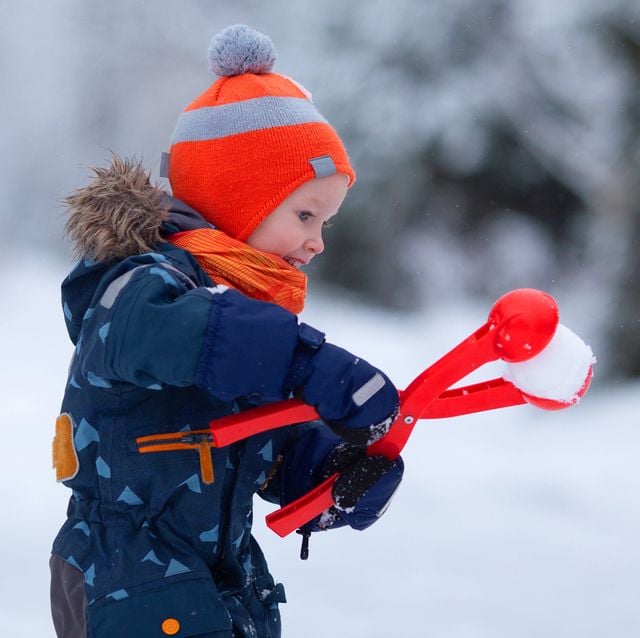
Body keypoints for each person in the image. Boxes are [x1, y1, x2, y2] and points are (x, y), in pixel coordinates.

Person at [50, 24, 403, 638]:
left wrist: (330, 473)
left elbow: (260, 449)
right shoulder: (135, 286)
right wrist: (306, 361)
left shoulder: (240, 323)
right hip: (125, 585)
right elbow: (178, 332)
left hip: (218, 591)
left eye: (326, 221)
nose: (318, 242)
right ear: (238, 198)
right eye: (305, 214)